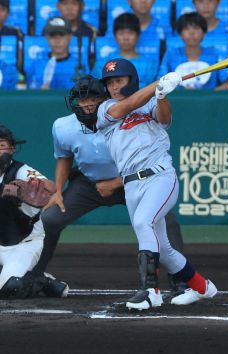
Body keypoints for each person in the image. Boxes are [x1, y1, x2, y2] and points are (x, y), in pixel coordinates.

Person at [32, 75, 184, 289]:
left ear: (104, 97)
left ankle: (180, 279)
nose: (87, 104)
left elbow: (141, 152)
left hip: (130, 180)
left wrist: (115, 183)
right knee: (50, 219)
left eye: (93, 97)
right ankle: (35, 274)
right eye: (82, 100)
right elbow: (64, 157)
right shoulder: (62, 126)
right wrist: (57, 190)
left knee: (167, 223)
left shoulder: (126, 118)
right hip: (88, 184)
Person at [97, 58, 217, 310]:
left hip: (160, 176)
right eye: (110, 82)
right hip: (131, 185)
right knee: (163, 247)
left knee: (143, 222)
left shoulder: (150, 101)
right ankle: (202, 287)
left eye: (120, 80)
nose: (115, 87)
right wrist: (157, 84)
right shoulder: (104, 109)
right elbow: (127, 105)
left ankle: (150, 290)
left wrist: (161, 95)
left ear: (132, 80)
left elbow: (163, 118)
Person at [0, 124, 64, 299]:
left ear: (12, 148)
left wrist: (36, 187)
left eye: (1, 145)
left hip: (23, 244)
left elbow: (50, 187)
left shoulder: (20, 170)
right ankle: (36, 277)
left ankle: (38, 280)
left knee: (9, 287)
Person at [157, 12, 228, 90]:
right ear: (180, 35)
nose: (191, 32)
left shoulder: (215, 54)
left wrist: (210, 95)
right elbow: (160, 83)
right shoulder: (171, 55)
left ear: (204, 33)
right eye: (186, 29)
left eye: (196, 28)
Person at [92, 13, 158, 88]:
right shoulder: (103, 64)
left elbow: (155, 92)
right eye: (121, 33)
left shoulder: (149, 64)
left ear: (138, 35)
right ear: (114, 35)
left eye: (130, 33)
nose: (126, 38)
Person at [26, 16, 90, 89]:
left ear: (70, 37)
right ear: (46, 37)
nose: (57, 40)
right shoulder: (35, 66)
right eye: (53, 35)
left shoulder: (81, 66)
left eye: (62, 35)